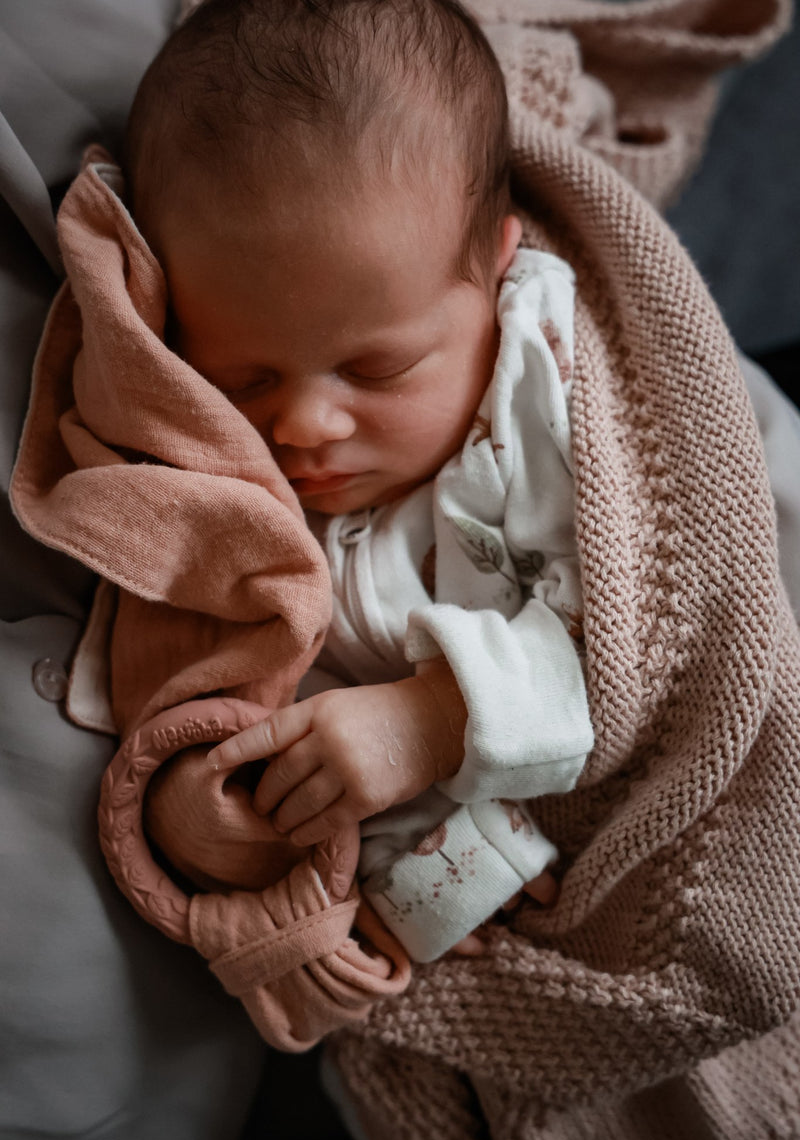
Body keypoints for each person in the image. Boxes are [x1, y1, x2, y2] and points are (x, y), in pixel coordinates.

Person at [122, 0, 594, 962]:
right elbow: (235, 733)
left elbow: (632, 628)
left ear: (493, 272)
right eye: (242, 378)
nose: (303, 425)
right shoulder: (223, 510)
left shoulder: (531, 393)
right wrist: (383, 874)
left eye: (376, 371)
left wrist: (434, 719)